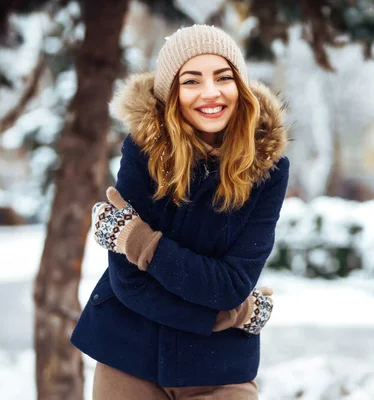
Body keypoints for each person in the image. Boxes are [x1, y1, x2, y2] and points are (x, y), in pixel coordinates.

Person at [70, 24, 289, 399]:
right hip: (128, 355)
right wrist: (230, 315)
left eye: (224, 77)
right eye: (191, 81)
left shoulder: (268, 169)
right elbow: (130, 283)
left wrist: (139, 240)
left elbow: (231, 285)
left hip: (220, 367)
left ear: (241, 86)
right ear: (172, 92)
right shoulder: (142, 150)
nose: (210, 93)